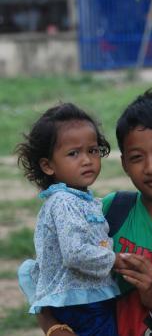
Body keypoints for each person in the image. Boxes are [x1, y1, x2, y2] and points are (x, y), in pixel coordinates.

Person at [28, 89, 152, 336]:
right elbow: (48, 275)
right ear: (124, 164)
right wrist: (53, 327)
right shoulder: (110, 211)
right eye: (136, 157)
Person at [16, 103, 120, 336]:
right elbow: (75, 253)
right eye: (74, 153)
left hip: (83, 299)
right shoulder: (64, 201)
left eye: (92, 150)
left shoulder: (80, 199)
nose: (87, 160)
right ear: (48, 165)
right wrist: (115, 260)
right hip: (81, 303)